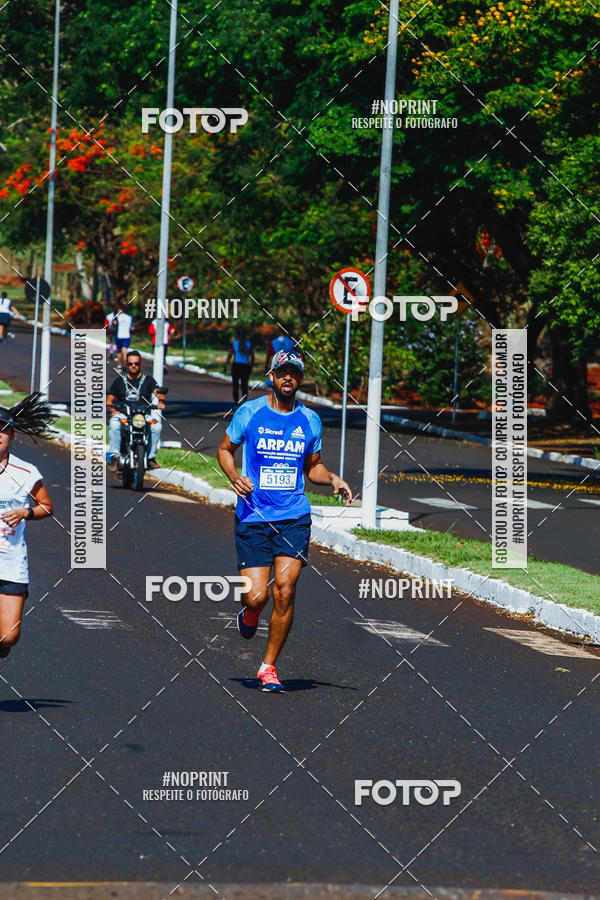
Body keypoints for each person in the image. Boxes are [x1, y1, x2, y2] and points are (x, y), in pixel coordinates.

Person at [217, 349, 352, 692]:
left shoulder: (309, 420)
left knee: (286, 590)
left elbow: (313, 467)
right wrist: (234, 477)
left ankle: (268, 667)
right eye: (283, 373)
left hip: (293, 516)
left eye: (294, 373)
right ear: (272, 378)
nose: (288, 378)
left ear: (299, 380)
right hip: (252, 516)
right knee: (257, 598)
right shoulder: (250, 412)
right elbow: (224, 449)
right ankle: (249, 613)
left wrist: (333, 479)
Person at [0, 394, 55, 659]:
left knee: (9, 636)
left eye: (4, 429)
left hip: (10, 563)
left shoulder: (26, 472)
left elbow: (46, 507)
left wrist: (25, 512)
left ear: (12, 435)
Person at [106, 350, 165, 471]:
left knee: (156, 427)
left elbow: (157, 391)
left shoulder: (148, 380)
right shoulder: (119, 381)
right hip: (124, 415)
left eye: (136, 364)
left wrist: (161, 401)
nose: (133, 366)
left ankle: (150, 458)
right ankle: (115, 457)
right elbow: (109, 400)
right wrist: (113, 410)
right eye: (130, 363)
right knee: (114, 423)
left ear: (140, 364)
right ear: (126, 364)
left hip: (142, 416)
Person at [224, 325, 254, 405]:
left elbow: (230, 355)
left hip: (236, 366)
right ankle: (244, 401)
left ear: (237, 335)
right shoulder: (249, 344)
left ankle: (236, 403)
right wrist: (251, 367)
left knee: (235, 385)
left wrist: (226, 365)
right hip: (245, 366)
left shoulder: (234, 343)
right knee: (244, 385)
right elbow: (252, 357)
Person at [114, 305, 133, 370]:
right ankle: (125, 364)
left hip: (119, 336)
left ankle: (119, 365)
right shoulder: (130, 317)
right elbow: (132, 327)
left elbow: (114, 324)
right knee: (125, 351)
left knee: (119, 351)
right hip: (127, 336)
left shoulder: (117, 317)